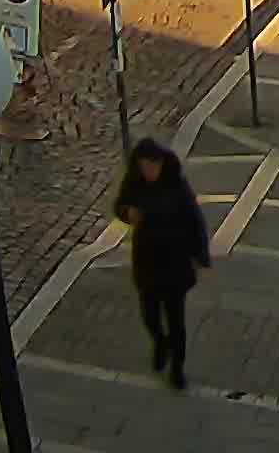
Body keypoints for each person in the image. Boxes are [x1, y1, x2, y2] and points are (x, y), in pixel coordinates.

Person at [112, 139, 212, 389]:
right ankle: (160, 341)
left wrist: (200, 255)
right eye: (144, 167)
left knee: (176, 320)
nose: (148, 172)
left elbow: (195, 221)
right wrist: (127, 213)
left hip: (175, 261)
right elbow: (119, 205)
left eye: (152, 167)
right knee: (150, 316)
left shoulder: (176, 185)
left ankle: (177, 369)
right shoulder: (134, 182)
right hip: (147, 260)